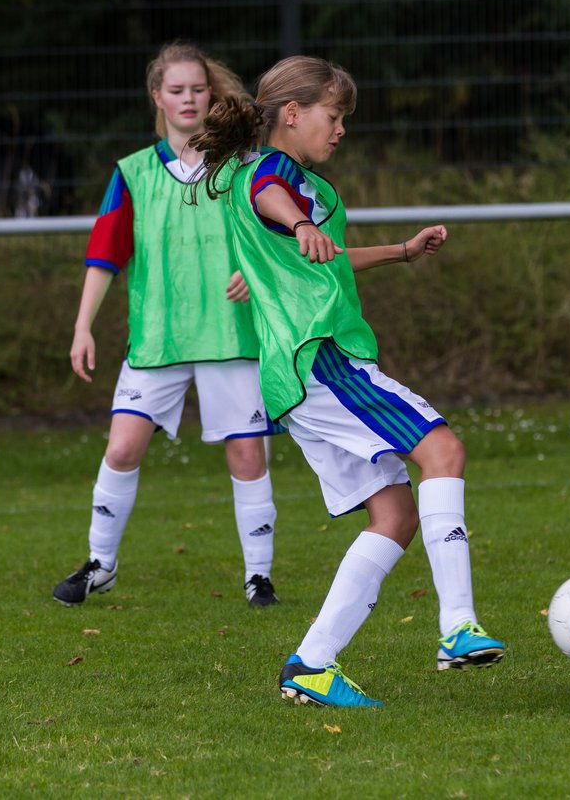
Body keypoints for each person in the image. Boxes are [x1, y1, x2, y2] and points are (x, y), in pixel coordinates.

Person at [192, 55, 505, 708]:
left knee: (393, 516)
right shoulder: (272, 174)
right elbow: (268, 199)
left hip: (297, 376)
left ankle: (311, 664)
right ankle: (458, 627)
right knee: (443, 450)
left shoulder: (309, 188)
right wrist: (299, 222)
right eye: (335, 117)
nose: (341, 131)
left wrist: (400, 251)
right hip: (321, 360)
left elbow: (324, 259)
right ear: (293, 113)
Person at [52, 42, 284, 609]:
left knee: (247, 455)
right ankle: (100, 565)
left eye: (198, 89)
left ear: (212, 95)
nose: (188, 99)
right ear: (157, 97)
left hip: (231, 335)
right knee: (123, 447)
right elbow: (105, 253)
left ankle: (259, 577)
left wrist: (254, 274)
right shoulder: (133, 172)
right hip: (157, 337)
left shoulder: (244, 168)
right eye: (176, 90)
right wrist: (83, 327)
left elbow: (282, 242)